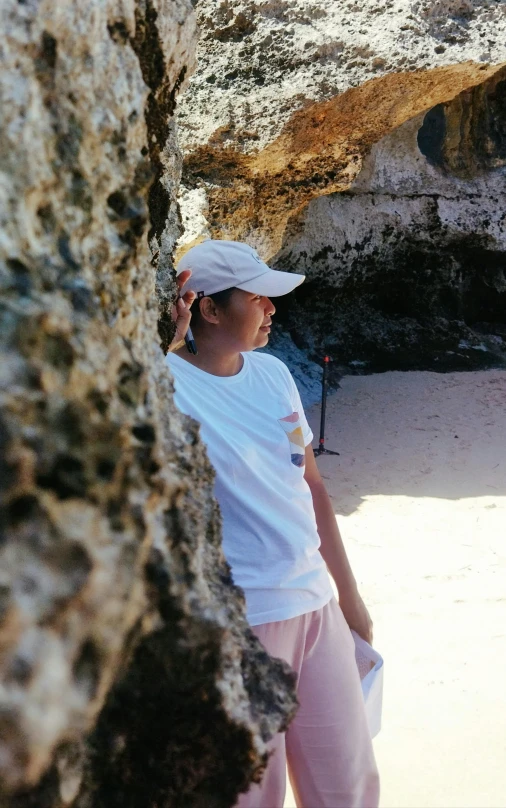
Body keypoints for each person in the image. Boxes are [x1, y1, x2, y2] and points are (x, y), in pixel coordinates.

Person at [166, 239, 379, 808]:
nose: (272, 309)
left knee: (348, 786)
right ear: (208, 309)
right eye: (259, 298)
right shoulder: (164, 382)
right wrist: (161, 348)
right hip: (241, 623)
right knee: (248, 794)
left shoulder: (274, 373)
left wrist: (349, 598)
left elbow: (310, 486)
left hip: (315, 610)